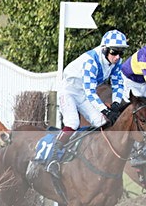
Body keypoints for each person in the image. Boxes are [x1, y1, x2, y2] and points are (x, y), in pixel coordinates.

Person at [37, 29, 128, 180]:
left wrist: (116, 103)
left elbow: (119, 84)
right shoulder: (91, 61)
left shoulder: (116, 62)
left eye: (121, 52)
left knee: (101, 122)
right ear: (104, 49)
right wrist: (105, 110)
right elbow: (90, 91)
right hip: (68, 91)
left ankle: (91, 156)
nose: (117, 57)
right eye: (114, 52)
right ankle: (53, 158)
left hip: (82, 93)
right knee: (73, 122)